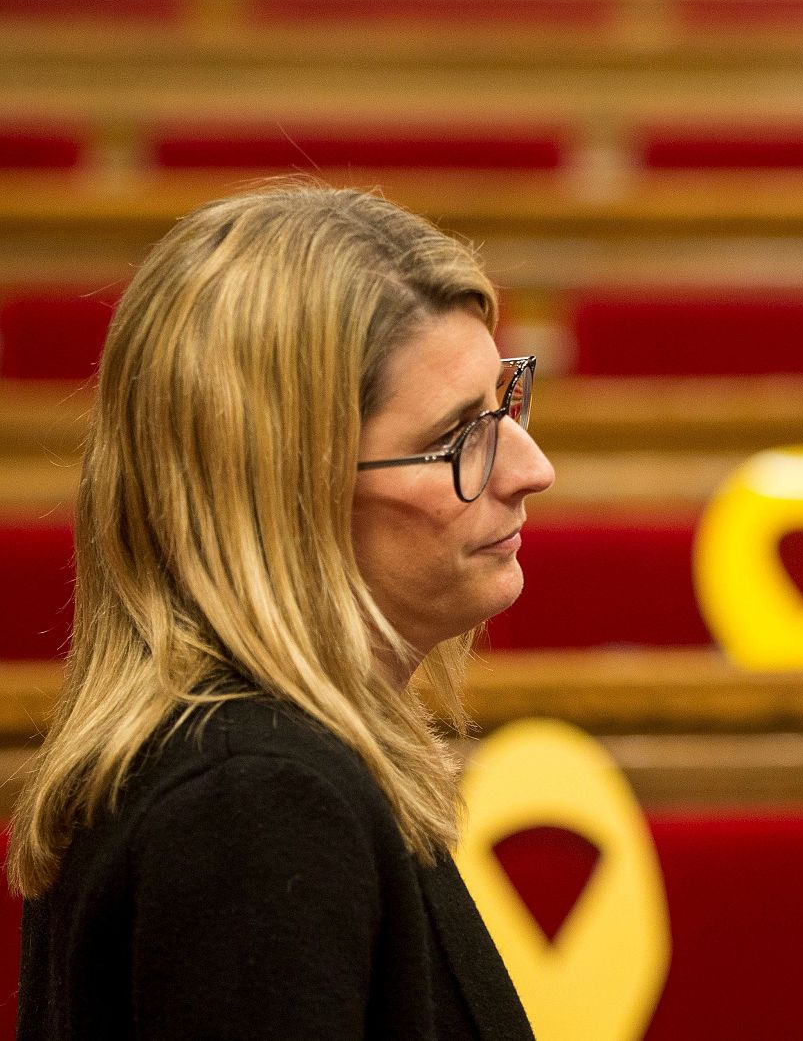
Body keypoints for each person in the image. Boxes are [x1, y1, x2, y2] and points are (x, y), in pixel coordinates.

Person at [7, 184, 554, 1038]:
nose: (530, 468)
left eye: (504, 400)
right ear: (283, 493)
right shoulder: (252, 807)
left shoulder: (261, 767)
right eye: (458, 437)